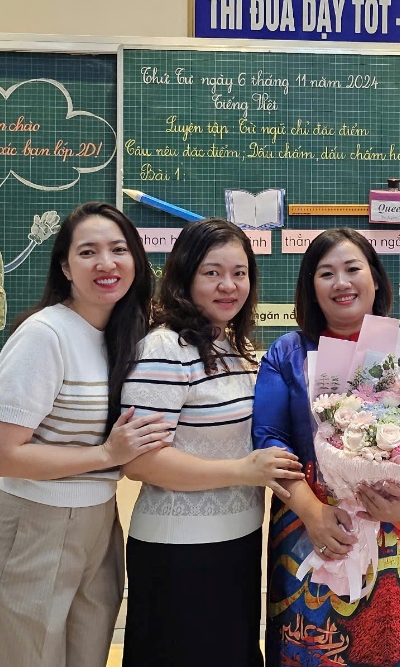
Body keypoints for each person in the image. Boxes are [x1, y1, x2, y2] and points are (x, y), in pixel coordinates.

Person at [0, 202, 172, 667]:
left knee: (85, 656)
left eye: (119, 249)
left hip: (99, 524)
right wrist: (105, 454)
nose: (106, 263)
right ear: (65, 266)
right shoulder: (44, 335)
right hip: (35, 525)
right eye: (88, 252)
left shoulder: (124, 334)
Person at [253, 228, 400, 667]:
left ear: (374, 278)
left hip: (396, 528)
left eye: (353, 269)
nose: (342, 282)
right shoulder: (288, 352)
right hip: (311, 528)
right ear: (310, 288)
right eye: (326, 273)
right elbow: (269, 438)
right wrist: (313, 513)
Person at [118, 219, 303, 667]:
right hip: (180, 551)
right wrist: (244, 470)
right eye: (212, 272)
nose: (229, 285)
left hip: (238, 540)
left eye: (240, 273)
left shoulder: (232, 345)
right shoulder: (164, 348)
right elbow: (141, 462)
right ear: (185, 277)